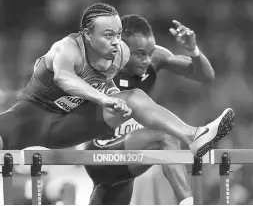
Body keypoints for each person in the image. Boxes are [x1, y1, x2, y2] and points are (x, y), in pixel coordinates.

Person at [0, 3, 234, 163]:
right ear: (87, 35)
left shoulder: (122, 52)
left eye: (117, 34)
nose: (116, 42)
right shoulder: (67, 47)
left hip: (70, 125)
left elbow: (114, 84)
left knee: (134, 97)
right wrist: (103, 99)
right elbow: (65, 79)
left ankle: (193, 135)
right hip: (30, 117)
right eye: (108, 35)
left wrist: (114, 99)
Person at [84, 14, 213, 205]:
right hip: (99, 152)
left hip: (127, 155)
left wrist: (193, 50)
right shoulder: (100, 63)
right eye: (140, 54)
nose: (147, 60)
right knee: (166, 137)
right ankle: (188, 202)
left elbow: (205, 76)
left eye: (150, 52)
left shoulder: (156, 58)